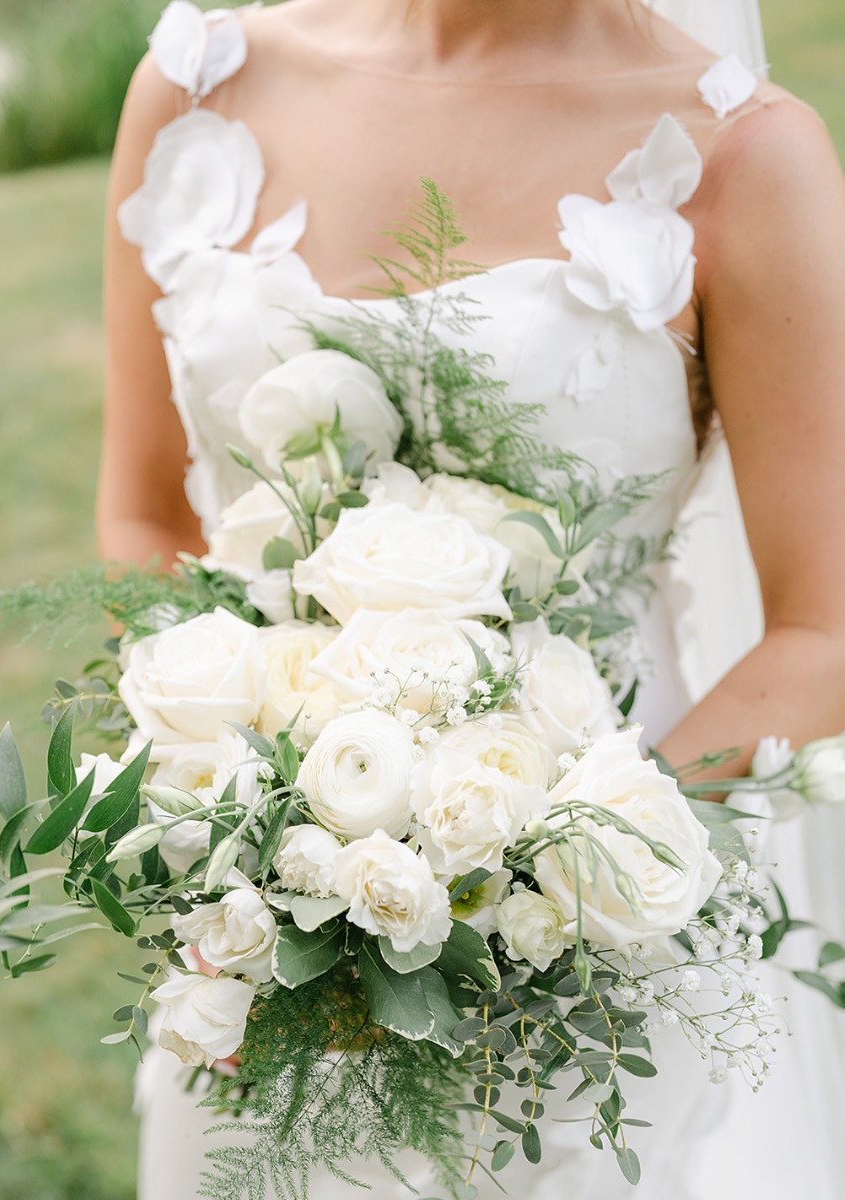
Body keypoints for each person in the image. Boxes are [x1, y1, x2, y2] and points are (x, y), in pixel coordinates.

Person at [98, 0, 845, 1196]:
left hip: (582, 966)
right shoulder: (198, 85)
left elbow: (823, 629)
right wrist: (239, 825)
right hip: (259, 944)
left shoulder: (745, 156)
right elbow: (144, 520)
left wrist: (532, 883)